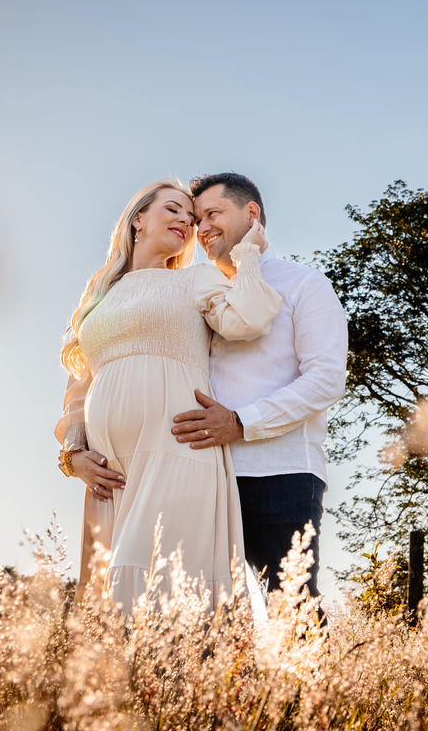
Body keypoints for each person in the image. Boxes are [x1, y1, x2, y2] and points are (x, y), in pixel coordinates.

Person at [53, 178, 281, 609]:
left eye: (191, 218)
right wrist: (74, 455)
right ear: (138, 218)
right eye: (173, 209)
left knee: (162, 583)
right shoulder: (99, 295)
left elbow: (249, 319)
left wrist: (247, 254)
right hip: (111, 473)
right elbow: (79, 387)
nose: (186, 222)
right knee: (111, 602)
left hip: (176, 448)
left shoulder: (196, 279)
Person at [169, 172, 348, 601]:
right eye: (197, 219)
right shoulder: (195, 293)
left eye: (213, 213)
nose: (202, 227)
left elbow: (325, 380)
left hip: (279, 474)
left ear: (251, 213)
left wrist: (240, 422)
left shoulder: (304, 285)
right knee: (204, 613)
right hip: (203, 474)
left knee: (292, 607)